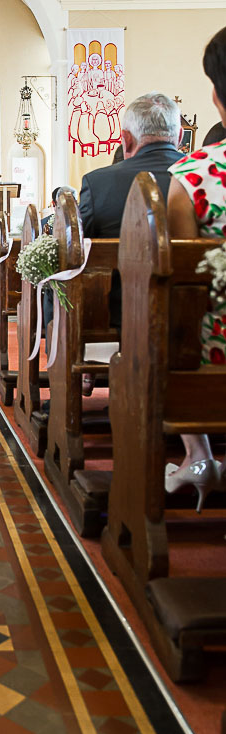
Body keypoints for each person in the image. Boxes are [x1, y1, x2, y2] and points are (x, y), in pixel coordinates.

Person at [164, 26, 226, 509]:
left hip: (213, 358)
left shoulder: (194, 176)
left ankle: (198, 455)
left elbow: (178, 285)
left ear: (216, 96)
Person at [78, 92, 183, 329]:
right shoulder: (203, 176)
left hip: (121, 317)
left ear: (125, 139)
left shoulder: (98, 184)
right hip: (195, 315)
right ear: (179, 136)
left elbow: (77, 253)